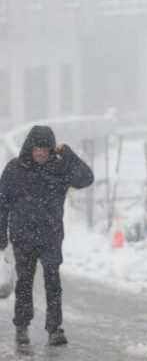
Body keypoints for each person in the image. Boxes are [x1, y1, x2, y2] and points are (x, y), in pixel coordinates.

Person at [0, 126, 94, 346]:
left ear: (51, 150)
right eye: (37, 148)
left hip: (51, 235)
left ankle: (54, 329)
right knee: (24, 282)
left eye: (45, 149)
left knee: (53, 281)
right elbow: (1, 205)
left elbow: (86, 178)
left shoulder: (60, 168)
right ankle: (22, 327)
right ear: (29, 148)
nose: (41, 153)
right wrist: (1, 238)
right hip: (22, 236)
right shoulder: (15, 169)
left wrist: (68, 153)